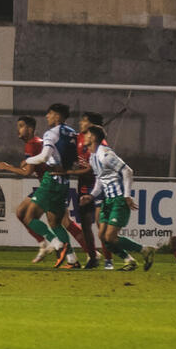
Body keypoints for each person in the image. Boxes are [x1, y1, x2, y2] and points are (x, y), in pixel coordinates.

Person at [0, 102, 82, 269]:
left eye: (49, 113)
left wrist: (27, 160)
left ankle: (57, 244)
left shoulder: (51, 133)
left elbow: (44, 157)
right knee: (55, 222)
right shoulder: (72, 133)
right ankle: (72, 260)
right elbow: (75, 159)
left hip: (51, 180)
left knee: (29, 217)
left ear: (57, 115)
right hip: (64, 181)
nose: (47, 116)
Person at [76, 125, 154, 271]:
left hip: (119, 199)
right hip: (108, 200)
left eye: (87, 134)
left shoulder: (105, 154)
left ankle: (144, 250)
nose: (84, 137)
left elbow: (127, 171)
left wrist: (127, 195)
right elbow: (100, 179)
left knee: (110, 237)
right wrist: (91, 196)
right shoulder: (93, 157)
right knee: (103, 236)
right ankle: (129, 260)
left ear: (93, 137)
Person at [70, 111, 105, 268]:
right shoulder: (79, 138)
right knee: (85, 224)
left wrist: (69, 171)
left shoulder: (101, 146)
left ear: (92, 125)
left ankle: (118, 258)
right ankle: (92, 257)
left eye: (84, 121)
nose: (80, 123)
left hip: (97, 187)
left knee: (101, 226)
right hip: (83, 186)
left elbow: (92, 169)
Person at [15, 115, 51, 263]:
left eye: (21, 126)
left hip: (49, 186)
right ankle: (44, 244)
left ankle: (52, 244)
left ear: (30, 129)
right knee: (21, 213)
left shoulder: (32, 144)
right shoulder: (36, 143)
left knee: (61, 223)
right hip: (45, 185)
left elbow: (28, 172)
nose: (18, 129)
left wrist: (9, 168)